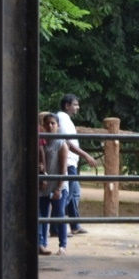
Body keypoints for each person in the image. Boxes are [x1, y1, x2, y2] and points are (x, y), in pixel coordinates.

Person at [55, 94, 98, 236]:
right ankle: (56, 227)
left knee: (74, 194)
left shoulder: (65, 119)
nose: (77, 108)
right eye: (75, 105)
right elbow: (67, 141)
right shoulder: (62, 119)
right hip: (68, 162)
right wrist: (85, 155)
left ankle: (75, 225)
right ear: (67, 106)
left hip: (71, 161)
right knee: (66, 196)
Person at [38, 112, 70, 256]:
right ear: (43, 126)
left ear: (58, 126)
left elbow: (63, 168)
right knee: (42, 215)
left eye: (53, 123)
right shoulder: (42, 142)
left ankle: (63, 245)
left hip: (58, 184)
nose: (50, 126)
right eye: (47, 124)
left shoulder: (61, 144)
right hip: (44, 186)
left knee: (59, 214)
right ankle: (42, 243)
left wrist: (59, 187)